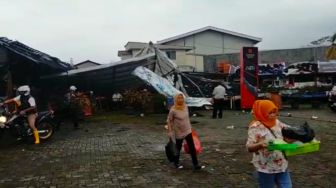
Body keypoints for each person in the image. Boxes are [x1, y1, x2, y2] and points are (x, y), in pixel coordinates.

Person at [246, 100, 292, 188]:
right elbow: (249, 148)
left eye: (275, 112)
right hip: (265, 168)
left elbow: (289, 131)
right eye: (270, 112)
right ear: (262, 112)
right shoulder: (255, 127)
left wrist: (301, 134)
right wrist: (260, 145)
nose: (274, 115)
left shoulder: (277, 122)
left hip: (281, 165)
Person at [167, 93, 204, 170]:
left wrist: (190, 128)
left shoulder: (185, 107)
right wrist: (170, 131)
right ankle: (176, 163)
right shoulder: (173, 109)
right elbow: (169, 121)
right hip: (179, 132)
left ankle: (196, 164)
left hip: (187, 130)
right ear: (176, 99)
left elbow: (187, 119)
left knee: (192, 148)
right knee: (178, 148)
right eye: (179, 98)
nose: (180, 99)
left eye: (182, 98)